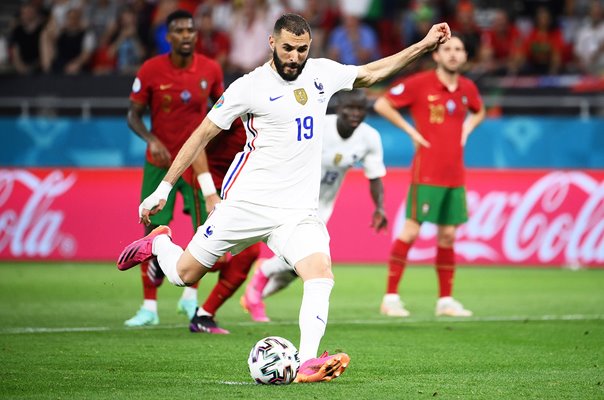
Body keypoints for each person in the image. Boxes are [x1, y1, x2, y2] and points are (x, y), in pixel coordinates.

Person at [117, 13, 451, 383]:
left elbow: (372, 73)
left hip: (296, 211)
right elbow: (201, 134)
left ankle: (307, 361)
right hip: (246, 203)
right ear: (272, 44)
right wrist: (164, 188)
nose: (295, 57)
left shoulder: (321, 73)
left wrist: (422, 45)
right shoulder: (249, 86)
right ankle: (160, 243)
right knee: (184, 274)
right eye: (288, 48)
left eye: (302, 50)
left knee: (320, 274)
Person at [240, 88, 388, 322]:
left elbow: (375, 176)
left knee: (298, 268)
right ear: (338, 108)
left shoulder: (369, 137)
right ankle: (257, 286)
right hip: (293, 197)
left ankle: (256, 294)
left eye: (360, 109)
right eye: (350, 108)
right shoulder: (318, 127)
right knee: (306, 257)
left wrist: (379, 207)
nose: (355, 114)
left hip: (323, 206)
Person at [124, 9, 224, 327]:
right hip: (159, 163)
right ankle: (149, 308)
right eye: (179, 31)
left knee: (204, 232)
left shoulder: (210, 69)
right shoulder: (151, 70)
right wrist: (150, 138)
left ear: (196, 35)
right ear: (168, 36)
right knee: (151, 231)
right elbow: (133, 115)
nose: (186, 35)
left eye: (190, 30)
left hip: (197, 164)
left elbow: (222, 113)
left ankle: (190, 299)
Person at [374, 35, 485, 318]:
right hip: (428, 173)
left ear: (464, 57)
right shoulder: (420, 83)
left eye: (459, 49)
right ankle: (390, 297)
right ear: (436, 55)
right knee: (411, 230)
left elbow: (479, 110)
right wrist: (411, 131)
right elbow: (382, 104)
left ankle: (445, 301)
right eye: (447, 49)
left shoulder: (467, 88)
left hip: (455, 174)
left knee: (448, 236)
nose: (453, 54)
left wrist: (467, 129)